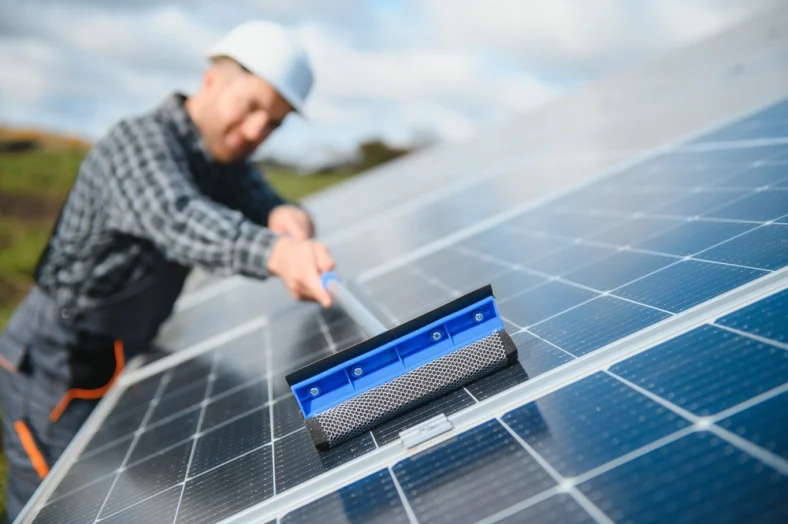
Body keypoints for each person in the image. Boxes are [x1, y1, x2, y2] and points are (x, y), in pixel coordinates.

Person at [0, 20, 334, 523]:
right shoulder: (137, 144)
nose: (254, 133)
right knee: (57, 508)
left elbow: (262, 200)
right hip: (54, 366)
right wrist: (277, 254)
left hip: (119, 359)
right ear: (212, 80)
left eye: (273, 124)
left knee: (106, 503)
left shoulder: (223, 163)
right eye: (251, 108)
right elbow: (178, 217)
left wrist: (287, 216)